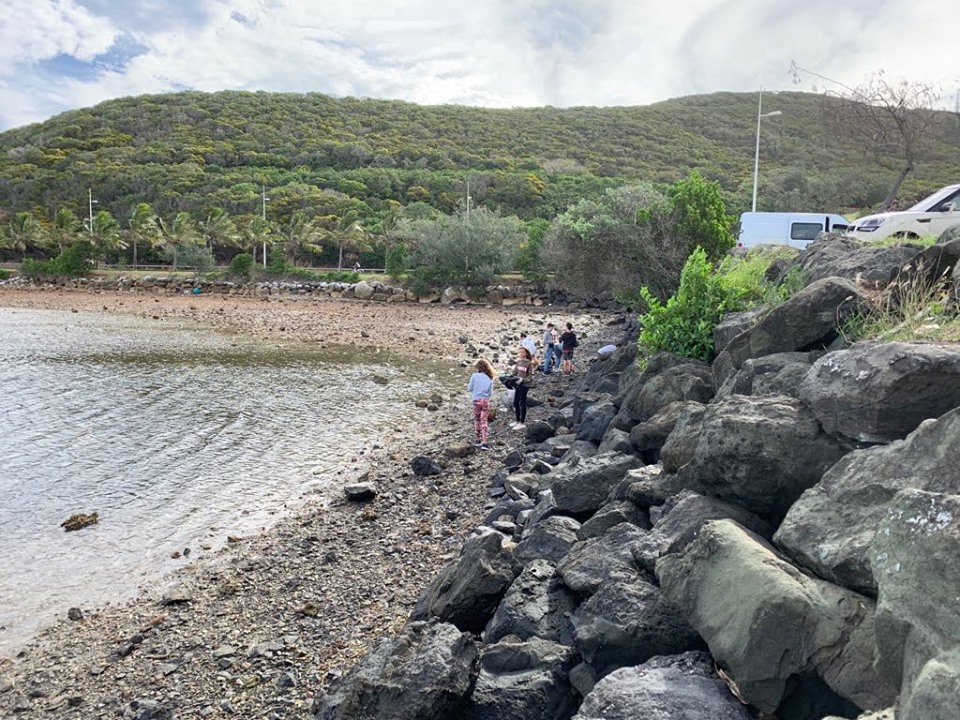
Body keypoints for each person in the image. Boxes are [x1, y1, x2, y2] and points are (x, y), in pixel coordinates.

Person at [467, 358, 496, 449]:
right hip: (485, 401)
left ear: (478, 367)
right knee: (484, 421)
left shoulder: (474, 376)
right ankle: (485, 442)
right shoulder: (489, 378)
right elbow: (490, 393)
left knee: (477, 419)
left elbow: (469, 388)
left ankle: (477, 439)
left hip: (476, 400)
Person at [511, 346, 537, 430]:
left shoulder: (529, 363)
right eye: (519, 352)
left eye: (522, 352)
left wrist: (523, 380)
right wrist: (510, 378)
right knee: (515, 402)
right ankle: (517, 420)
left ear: (526, 353)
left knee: (522, 403)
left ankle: (522, 422)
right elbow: (515, 372)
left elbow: (530, 376)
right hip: (518, 384)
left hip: (525, 385)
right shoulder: (518, 362)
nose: (521, 354)